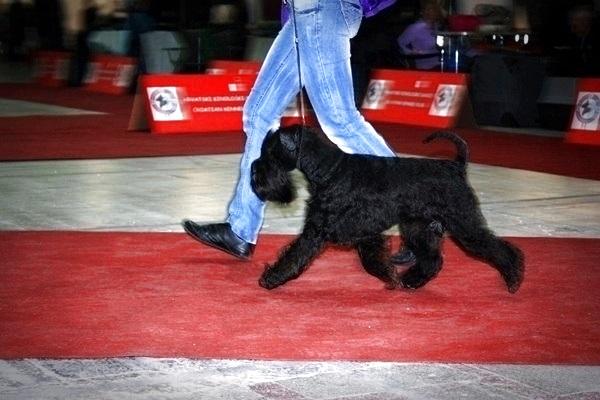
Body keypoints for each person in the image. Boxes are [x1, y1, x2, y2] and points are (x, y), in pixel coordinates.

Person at [182, 0, 420, 263]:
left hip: (321, 8)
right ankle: (240, 229)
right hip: (302, 13)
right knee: (259, 114)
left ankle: (419, 209)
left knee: (340, 120)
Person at [396, 0, 442, 70]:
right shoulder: (415, 27)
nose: (433, 11)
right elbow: (399, 42)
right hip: (426, 67)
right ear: (423, 12)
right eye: (429, 9)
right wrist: (410, 53)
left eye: (435, 9)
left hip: (441, 64)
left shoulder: (437, 27)